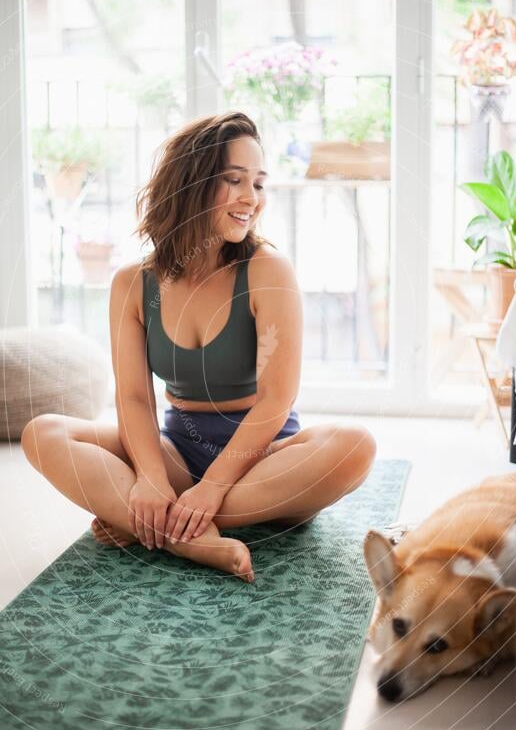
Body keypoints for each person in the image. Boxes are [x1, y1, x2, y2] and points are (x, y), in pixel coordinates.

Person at [22, 111, 376, 582]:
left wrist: (211, 489)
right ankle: (189, 537)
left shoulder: (268, 272)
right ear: (191, 184)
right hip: (175, 456)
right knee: (43, 433)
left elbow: (276, 400)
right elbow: (133, 398)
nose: (252, 199)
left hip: (264, 463)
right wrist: (150, 478)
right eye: (234, 180)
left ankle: (153, 522)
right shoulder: (132, 284)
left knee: (356, 446)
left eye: (259, 183)